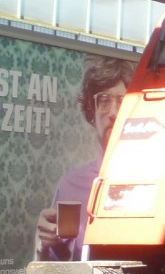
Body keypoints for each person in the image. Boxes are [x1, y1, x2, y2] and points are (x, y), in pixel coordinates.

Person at [34, 55, 134, 261]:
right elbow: (53, 271)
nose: (114, 112)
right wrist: (43, 247)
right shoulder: (70, 185)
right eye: (104, 101)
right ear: (91, 110)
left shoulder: (160, 183)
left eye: (123, 101)